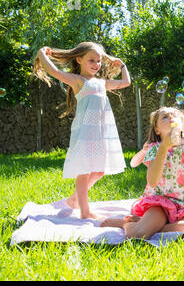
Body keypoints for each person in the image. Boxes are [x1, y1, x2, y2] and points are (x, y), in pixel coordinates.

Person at [100, 108, 184, 239]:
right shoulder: (154, 149)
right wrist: (164, 147)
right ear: (157, 129)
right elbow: (152, 181)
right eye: (164, 116)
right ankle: (125, 224)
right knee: (137, 234)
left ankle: (152, 227)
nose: (171, 117)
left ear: (182, 124)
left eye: (175, 115)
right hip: (160, 204)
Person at [34, 42, 131, 219]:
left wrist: (122, 65)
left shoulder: (102, 83)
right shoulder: (78, 81)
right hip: (86, 132)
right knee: (84, 170)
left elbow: (126, 82)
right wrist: (42, 54)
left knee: (99, 171)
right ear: (79, 59)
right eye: (92, 60)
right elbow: (55, 72)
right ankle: (85, 212)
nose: (96, 64)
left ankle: (73, 200)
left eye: (99, 61)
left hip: (101, 132)